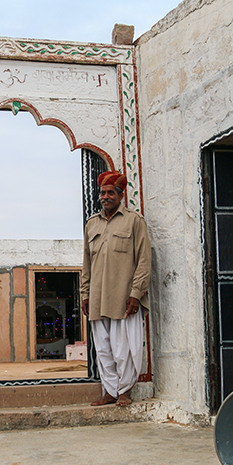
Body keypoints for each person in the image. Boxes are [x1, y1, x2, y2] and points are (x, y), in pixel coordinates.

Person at [80, 171, 151, 407]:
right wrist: (85, 294)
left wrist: (136, 294)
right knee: (103, 349)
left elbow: (144, 260)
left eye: (111, 192)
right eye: (103, 192)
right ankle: (109, 391)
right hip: (97, 298)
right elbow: (86, 263)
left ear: (121, 195)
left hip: (124, 298)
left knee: (123, 349)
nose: (106, 196)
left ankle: (125, 391)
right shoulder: (92, 224)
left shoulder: (134, 221)